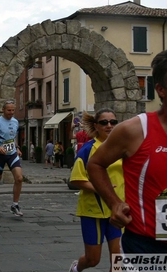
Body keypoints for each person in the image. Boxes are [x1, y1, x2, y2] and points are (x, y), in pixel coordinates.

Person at [88, 47, 167, 254]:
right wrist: (114, 203)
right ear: (161, 89)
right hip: (145, 248)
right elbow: (95, 164)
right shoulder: (133, 130)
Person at [68, 109, 124, 272]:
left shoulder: (123, 147)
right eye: (104, 122)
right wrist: (101, 189)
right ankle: (77, 268)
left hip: (117, 209)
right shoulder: (87, 149)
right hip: (93, 211)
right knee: (93, 259)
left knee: (118, 262)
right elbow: (76, 179)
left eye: (113, 122)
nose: (109, 125)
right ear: (96, 126)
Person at [0, 100, 24, 217]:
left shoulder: (16, 122)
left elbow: (13, 137)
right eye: (9, 110)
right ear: (3, 110)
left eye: (13, 110)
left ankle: (15, 205)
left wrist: (17, 147)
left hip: (12, 153)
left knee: (19, 178)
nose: (11, 112)